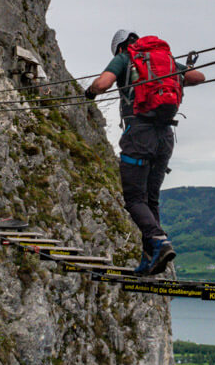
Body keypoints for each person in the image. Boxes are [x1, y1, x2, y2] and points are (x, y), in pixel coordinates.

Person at [84, 29, 205, 275]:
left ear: (119, 47)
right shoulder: (163, 59)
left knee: (134, 199)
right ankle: (151, 260)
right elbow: (198, 77)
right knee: (150, 200)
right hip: (165, 138)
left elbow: (104, 83)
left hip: (139, 135)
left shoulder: (124, 57)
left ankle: (158, 241)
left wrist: (90, 91)